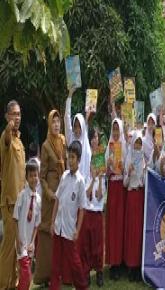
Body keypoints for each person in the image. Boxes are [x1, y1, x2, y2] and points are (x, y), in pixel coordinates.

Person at [34, 110, 67, 286]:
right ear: (49, 124)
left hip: (63, 191)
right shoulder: (46, 145)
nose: (56, 125)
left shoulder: (62, 140)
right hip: (51, 195)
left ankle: (60, 272)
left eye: (58, 122)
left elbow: (68, 163)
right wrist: (48, 193)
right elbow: (42, 176)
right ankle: (45, 275)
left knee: (62, 232)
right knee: (48, 234)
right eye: (53, 122)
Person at [49, 140, 87, 290]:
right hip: (58, 226)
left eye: (72, 157)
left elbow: (82, 209)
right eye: (68, 157)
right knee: (55, 263)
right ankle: (54, 287)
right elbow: (57, 200)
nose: (70, 160)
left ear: (78, 159)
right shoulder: (64, 176)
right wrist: (52, 222)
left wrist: (77, 230)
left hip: (70, 229)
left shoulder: (80, 181)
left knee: (74, 263)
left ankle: (82, 286)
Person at [0, 100, 26, 289]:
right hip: (9, 203)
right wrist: (8, 128)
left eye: (18, 114)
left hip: (20, 202)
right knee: (8, 247)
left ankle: (14, 283)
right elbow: (7, 139)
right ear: (7, 116)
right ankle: (3, 284)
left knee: (18, 247)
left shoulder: (20, 140)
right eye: (13, 114)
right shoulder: (6, 137)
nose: (17, 118)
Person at [79, 127, 105, 287]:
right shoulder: (86, 168)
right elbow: (87, 195)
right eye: (94, 137)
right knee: (86, 244)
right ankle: (87, 272)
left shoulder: (100, 159)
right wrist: (94, 179)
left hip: (97, 212)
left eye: (97, 137)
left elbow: (100, 196)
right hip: (87, 211)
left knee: (98, 244)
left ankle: (100, 272)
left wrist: (100, 179)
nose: (96, 139)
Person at [105, 118, 127, 280]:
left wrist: (124, 166)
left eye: (117, 129)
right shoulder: (110, 146)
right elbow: (104, 171)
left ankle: (121, 261)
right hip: (112, 188)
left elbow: (130, 165)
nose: (115, 133)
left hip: (123, 189)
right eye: (113, 130)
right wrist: (109, 164)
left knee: (121, 224)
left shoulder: (125, 146)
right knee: (112, 224)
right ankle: (113, 263)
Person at [13, 160, 41, 290]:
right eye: (31, 175)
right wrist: (18, 240)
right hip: (21, 242)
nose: (34, 178)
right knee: (26, 273)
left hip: (30, 244)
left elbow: (36, 224)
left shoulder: (38, 200)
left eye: (36, 175)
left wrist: (33, 242)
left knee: (26, 276)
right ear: (27, 178)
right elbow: (15, 219)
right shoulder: (22, 196)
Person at [123, 131, 146, 282]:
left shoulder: (143, 159)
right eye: (136, 142)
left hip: (140, 196)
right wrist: (130, 173)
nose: (137, 145)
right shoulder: (129, 158)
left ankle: (138, 266)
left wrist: (143, 172)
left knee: (139, 232)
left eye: (140, 142)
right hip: (131, 196)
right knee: (131, 231)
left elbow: (143, 182)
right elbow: (125, 184)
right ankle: (130, 266)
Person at [65, 88, 92, 182]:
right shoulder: (70, 138)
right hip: (72, 183)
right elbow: (67, 117)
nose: (77, 130)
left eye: (79, 127)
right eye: (75, 126)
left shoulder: (85, 140)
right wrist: (70, 95)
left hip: (85, 185)